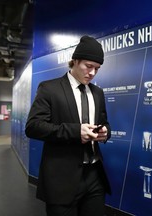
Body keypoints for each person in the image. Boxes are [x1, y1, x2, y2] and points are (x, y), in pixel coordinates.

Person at [25, 35, 111, 216]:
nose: (93, 73)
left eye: (97, 68)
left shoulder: (98, 93)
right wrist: (75, 131)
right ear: (75, 61)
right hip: (61, 180)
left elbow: (104, 122)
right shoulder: (49, 88)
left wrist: (105, 132)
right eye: (89, 66)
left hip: (94, 176)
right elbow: (33, 126)